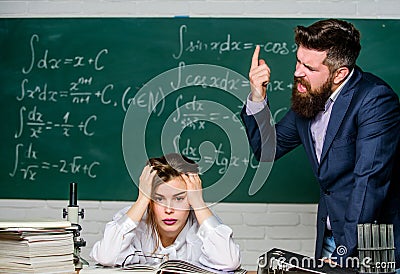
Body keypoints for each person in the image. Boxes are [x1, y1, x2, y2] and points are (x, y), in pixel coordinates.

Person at [241, 18, 400, 270]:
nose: (297, 73)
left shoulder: (375, 100)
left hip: (372, 243)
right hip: (330, 236)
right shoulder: (309, 98)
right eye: (298, 61)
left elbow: (368, 184)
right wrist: (257, 96)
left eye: (310, 68)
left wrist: (342, 256)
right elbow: (265, 149)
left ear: (340, 73)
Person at [90, 153, 241, 271]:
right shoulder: (134, 218)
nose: (169, 210)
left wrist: (199, 204)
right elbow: (106, 256)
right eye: (159, 199)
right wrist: (142, 198)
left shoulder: (204, 224)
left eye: (179, 198)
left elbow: (229, 262)